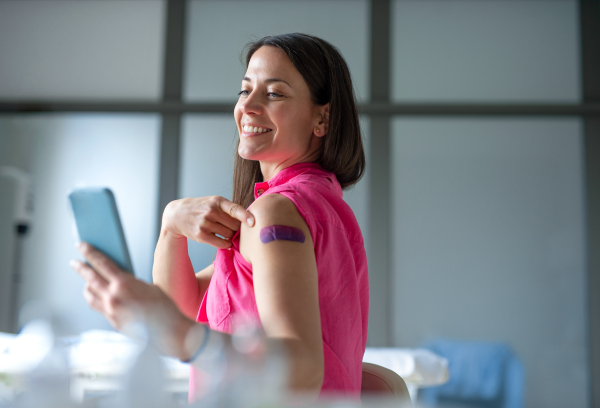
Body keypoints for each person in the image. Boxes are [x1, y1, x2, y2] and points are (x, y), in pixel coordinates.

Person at [71, 33, 368, 401]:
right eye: (245, 91)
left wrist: (179, 334)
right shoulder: (315, 201)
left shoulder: (277, 215)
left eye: (274, 93)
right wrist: (171, 228)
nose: (249, 106)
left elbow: (303, 369)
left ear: (322, 118)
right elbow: (187, 306)